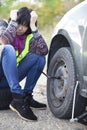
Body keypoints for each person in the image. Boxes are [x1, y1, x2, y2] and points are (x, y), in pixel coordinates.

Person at [0, 7, 48, 121]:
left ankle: (26, 97)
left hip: (7, 79)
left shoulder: (29, 37)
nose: (21, 28)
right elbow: (5, 41)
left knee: (39, 58)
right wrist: (13, 20)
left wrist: (33, 27)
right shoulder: (3, 26)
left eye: (25, 25)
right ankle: (18, 97)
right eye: (19, 23)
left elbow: (44, 51)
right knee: (8, 49)